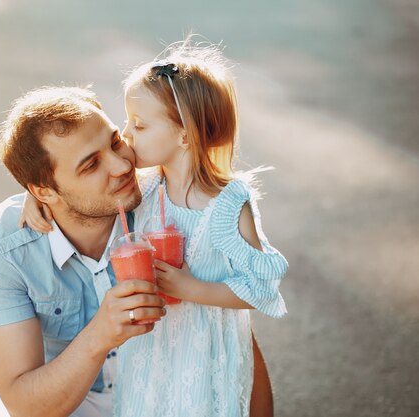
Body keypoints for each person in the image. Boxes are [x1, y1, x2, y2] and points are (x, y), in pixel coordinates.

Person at [22, 42, 288, 417]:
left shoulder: (228, 204)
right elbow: (81, 191)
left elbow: (261, 286)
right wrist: (41, 197)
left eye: (140, 125)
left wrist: (190, 288)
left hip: (204, 356)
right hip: (151, 354)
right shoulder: (147, 188)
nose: (127, 134)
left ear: (184, 134)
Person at [0, 86, 167, 417]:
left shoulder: (164, 204)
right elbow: (23, 403)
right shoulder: (2, 247)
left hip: (159, 388)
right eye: (91, 165)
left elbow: (231, 338)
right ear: (43, 191)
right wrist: (99, 335)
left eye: (115, 142)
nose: (121, 166)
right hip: (63, 395)